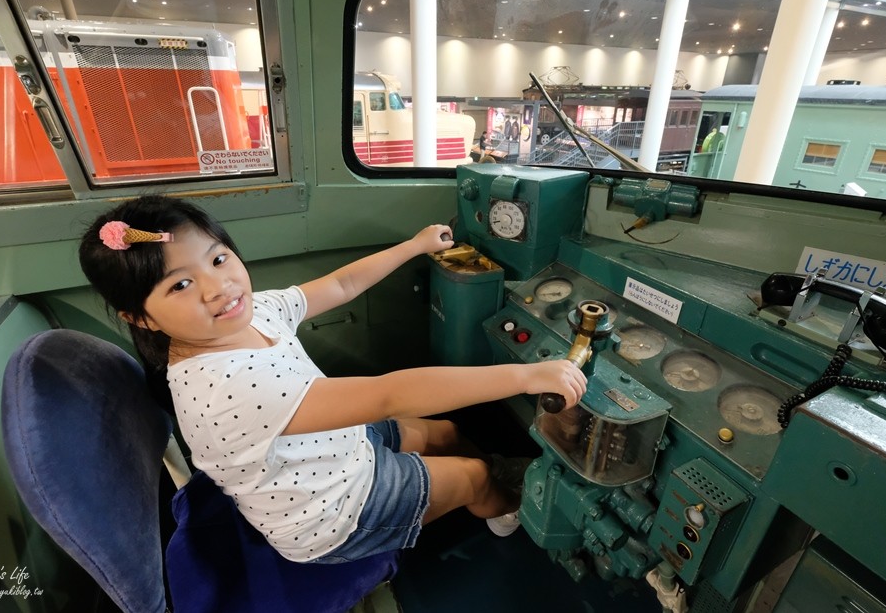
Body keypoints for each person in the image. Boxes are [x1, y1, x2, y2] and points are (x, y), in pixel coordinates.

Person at [78, 195, 586, 564]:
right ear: (140, 318)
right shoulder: (225, 387)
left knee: (446, 433)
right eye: (182, 284)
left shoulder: (251, 315)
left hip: (328, 452)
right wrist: (526, 374)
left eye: (218, 258)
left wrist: (413, 246)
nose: (220, 287)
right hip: (328, 515)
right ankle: (502, 510)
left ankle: (479, 482)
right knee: (473, 476)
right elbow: (388, 392)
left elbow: (342, 284)